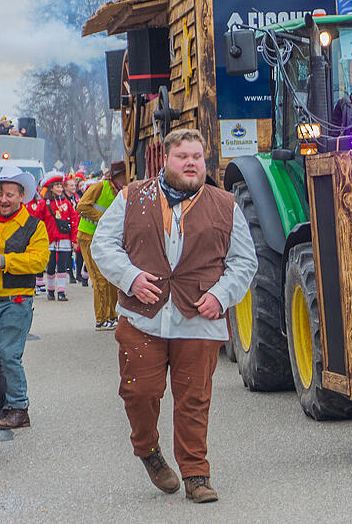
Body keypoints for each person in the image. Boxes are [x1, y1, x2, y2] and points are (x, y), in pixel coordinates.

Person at [92, 129, 257, 502]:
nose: (191, 163)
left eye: (197, 157)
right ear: (166, 160)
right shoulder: (133, 196)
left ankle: (196, 474)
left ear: (205, 160)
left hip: (199, 317)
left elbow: (244, 261)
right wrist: (130, 277)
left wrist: (221, 295)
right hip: (141, 317)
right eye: (182, 156)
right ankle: (148, 451)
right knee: (139, 393)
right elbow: (103, 244)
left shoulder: (225, 204)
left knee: (194, 399)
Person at [0, 167, 51, 432]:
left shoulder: (34, 226)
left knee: (8, 354)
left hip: (15, 300)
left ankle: (19, 408)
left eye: (9, 195)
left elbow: (40, 260)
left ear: (21, 197)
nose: (3, 200)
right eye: (0, 194)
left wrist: (5, 261)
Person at [77, 160, 127, 330]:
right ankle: (101, 318)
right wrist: (104, 219)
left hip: (105, 238)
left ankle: (112, 315)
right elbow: (82, 206)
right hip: (88, 236)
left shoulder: (121, 191)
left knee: (111, 278)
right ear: (121, 175)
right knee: (100, 279)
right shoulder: (100, 187)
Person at [34, 171, 79, 302]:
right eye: (57, 186)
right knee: (51, 266)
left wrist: (74, 239)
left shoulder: (67, 202)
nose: (60, 189)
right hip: (49, 241)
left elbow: (74, 220)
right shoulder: (44, 203)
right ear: (51, 188)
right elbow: (37, 220)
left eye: (61, 186)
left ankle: (61, 292)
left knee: (62, 266)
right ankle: (51, 290)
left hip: (64, 240)